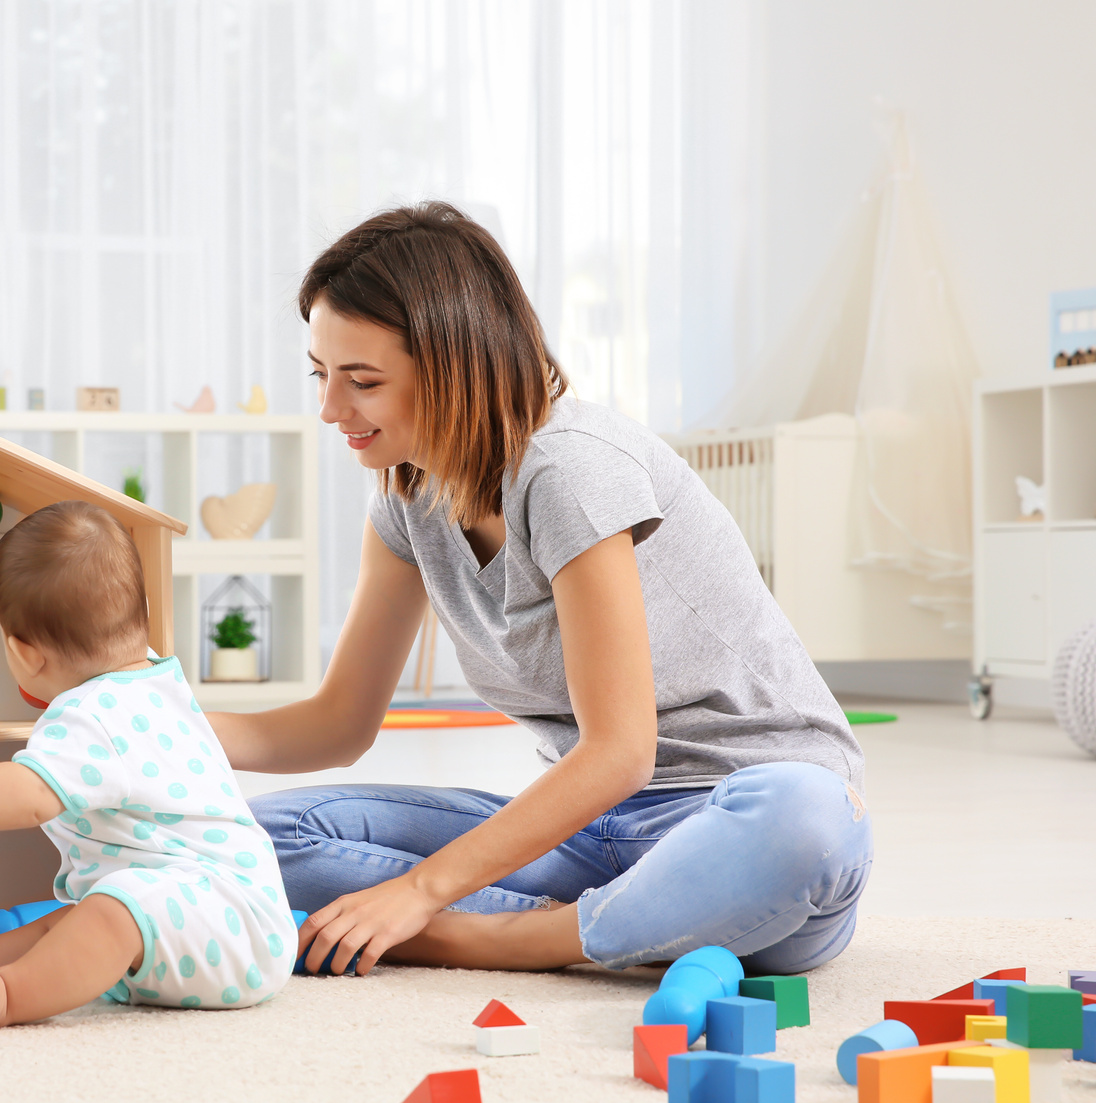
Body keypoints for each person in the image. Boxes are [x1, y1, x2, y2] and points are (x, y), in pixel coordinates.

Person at [207, 201, 873, 982]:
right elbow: (336, 724)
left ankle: (485, 939)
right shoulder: (403, 500)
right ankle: (609, 929)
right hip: (591, 833)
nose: (330, 409)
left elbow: (622, 754)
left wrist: (423, 892)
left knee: (804, 823)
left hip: (736, 820)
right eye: (322, 376)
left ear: (458, 364)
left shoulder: (568, 467)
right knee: (257, 837)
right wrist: (150, 727)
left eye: (362, 381)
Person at [0, 501, 296, 1029]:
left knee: (107, 910)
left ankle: (11, 996)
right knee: (69, 921)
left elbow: (28, 793)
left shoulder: (92, 713)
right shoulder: (161, 684)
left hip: (225, 921)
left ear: (25, 654)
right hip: (227, 920)